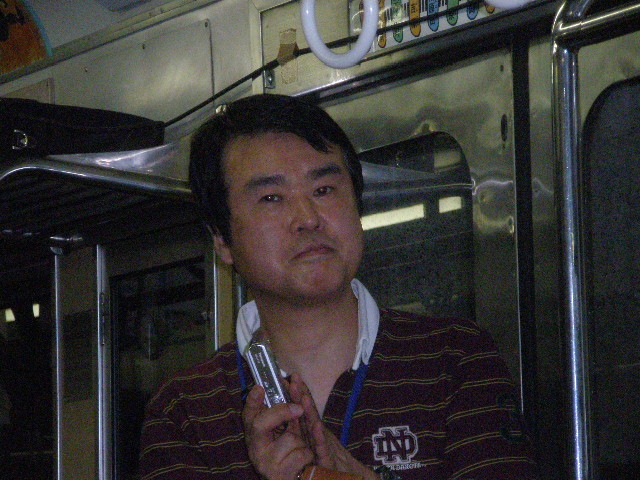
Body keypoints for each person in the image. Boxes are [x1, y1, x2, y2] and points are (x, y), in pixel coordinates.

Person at [138, 94, 538, 480]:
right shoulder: (185, 411)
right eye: (272, 198)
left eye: (324, 190)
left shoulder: (455, 359)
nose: (308, 218)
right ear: (222, 240)